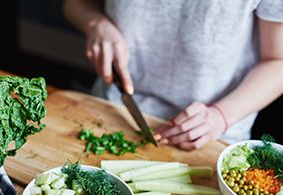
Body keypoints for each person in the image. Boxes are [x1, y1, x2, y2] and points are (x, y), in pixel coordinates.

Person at [63, 0, 283, 150]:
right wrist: (95, 24)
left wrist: (220, 116)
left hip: (210, 137)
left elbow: (277, 62)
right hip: (111, 113)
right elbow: (75, 3)